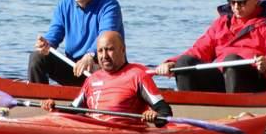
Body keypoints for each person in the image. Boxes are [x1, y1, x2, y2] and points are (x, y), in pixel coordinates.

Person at [154, 0, 266, 93]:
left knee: (232, 61)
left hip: (256, 80)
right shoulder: (222, 23)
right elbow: (200, 50)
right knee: (184, 63)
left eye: (241, 2)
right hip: (223, 78)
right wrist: (172, 63)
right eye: (232, 2)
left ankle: (234, 110)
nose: (236, 7)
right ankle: (189, 105)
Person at [41, 30, 172, 126]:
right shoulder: (92, 79)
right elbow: (73, 110)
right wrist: (55, 108)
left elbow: (165, 112)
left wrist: (154, 116)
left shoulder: (138, 76)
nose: (104, 56)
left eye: (109, 49)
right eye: (100, 51)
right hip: (92, 132)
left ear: (123, 50)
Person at [28, 0, 124, 86]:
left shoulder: (109, 5)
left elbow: (106, 36)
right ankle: (40, 95)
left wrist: (90, 55)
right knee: (37, 57)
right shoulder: (63, 5)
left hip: (100, 66)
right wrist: (46, 44)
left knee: (99, 60)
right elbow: (54, 34)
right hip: (74, 67)